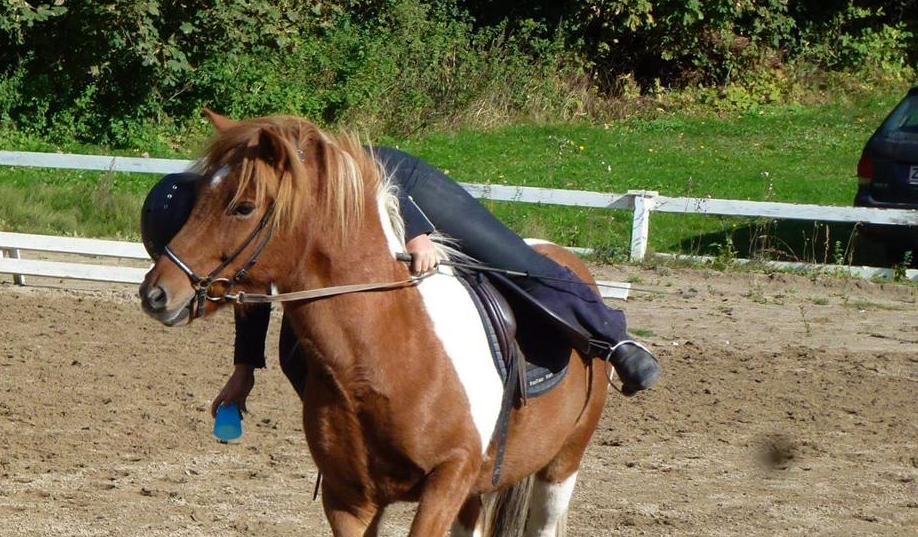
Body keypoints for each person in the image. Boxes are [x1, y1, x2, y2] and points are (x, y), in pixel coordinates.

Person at [140, 146, 660, 416]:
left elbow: (371, 183)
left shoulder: (295, 172)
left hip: (399, 184)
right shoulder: (250, 199)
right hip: (364, 196)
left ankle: (614, 338)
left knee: (516, 261)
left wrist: (416, 235)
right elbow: (249, 282)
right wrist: (244, 369)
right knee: (297, 346)